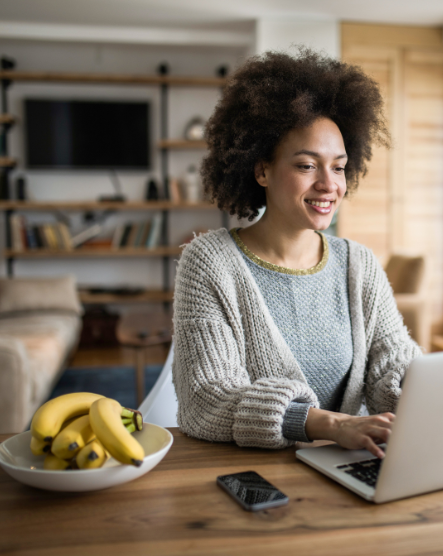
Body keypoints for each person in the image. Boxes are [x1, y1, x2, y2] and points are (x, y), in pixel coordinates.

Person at [172, 49, 422, 459]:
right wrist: (330, 425)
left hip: (351, 467)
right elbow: (206, 399)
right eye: (307, 165)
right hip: (256, 478)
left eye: (339, 167)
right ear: (262, 170)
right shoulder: (209, 262)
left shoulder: (359, 264)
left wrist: (422, 390)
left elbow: (391, 364)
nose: (329, 184)